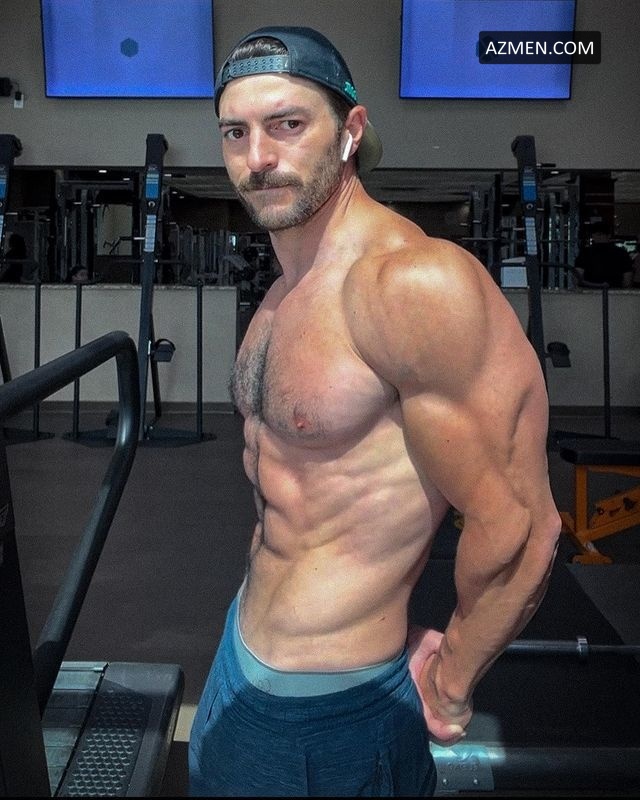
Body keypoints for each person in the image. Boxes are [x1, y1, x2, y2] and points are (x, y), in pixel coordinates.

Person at [189, 26, 561, 797]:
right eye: (236, 132)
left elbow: (521, 527)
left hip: (333, 710)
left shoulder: (411, 285)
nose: (258, 157)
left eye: (288, 124)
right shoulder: (283, 291)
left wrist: (450, 682)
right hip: (237, 656)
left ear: (351, 131)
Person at [573, 220, 633, 288]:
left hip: (590, 292)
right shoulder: (622, 253)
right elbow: (627, 281)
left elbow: (577, 277)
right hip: (615, 292)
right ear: (609, 235)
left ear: (593, 235)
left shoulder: (585, 253)